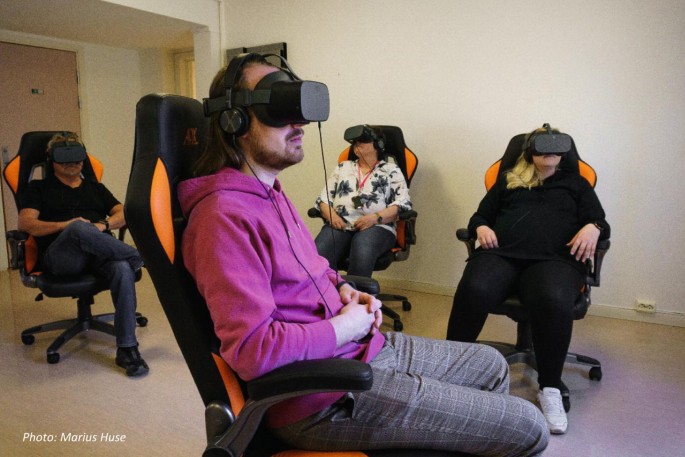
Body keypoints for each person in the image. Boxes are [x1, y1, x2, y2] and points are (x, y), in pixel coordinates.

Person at [179, 53, 548, 456]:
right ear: (234, 120)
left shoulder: (269, 192)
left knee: (492, 365)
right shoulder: (223, 218)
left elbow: (313, 268)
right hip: (324, 397)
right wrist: (346, 328)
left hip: (360, 346)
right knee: (529, 426)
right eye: (278, 108)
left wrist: (343, 291)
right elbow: (254, 352)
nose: (300, 123)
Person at [446, 125, 611, 435]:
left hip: (555, 260)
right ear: (530, 151)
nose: (548, 151)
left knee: (551, 298)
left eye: (555, 145)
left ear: (563, 151)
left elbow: (600, 220)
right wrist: (481, 228)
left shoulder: (576, 185)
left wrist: (594, 227)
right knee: (474, 286)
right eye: (541, 145)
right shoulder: (508, 182)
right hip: (503, 254)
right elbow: (479, 217)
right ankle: (452, 369)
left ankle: (549, 388)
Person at [18, 132, 148, 377]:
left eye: (77, 154)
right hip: (62, 259)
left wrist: (103, 227)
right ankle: (139, 256)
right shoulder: (38, 188)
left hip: (100, 256)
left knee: (120, 267)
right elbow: (26, 224)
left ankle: (127, 348)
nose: (73, 161)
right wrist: (66, 226)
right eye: (64, 155)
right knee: (78, 228)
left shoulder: (95, 188)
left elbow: (123, 212)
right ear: (51, 159)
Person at [314, 124, 412, 277]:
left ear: (378, 145)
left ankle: (358, 298)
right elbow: (324, 199)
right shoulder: (343, 167)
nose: (357, 145)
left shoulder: (391, 170)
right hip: (340, 224)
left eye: (363, 141)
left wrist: (375, 218)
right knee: (319, 252)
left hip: (378, 226)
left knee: (362, 246)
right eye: (355, 142)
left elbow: (402, 204)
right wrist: (331, 216)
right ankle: (328, 297)